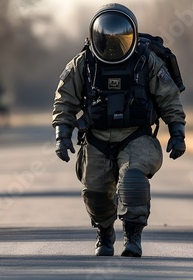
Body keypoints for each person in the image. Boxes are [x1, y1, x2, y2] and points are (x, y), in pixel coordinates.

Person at [52, 3, 186, 257]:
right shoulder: (84, 63)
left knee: (133, 181)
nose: (112, 44)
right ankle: (104, 233)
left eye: (119, 37)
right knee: (94, 192)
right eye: (105, 38)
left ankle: (133, 236)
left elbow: (169, 97)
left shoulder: (147, 61)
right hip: (96, 138)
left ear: (132, 35)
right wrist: (62, 134)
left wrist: (178, 132)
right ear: (94, 36)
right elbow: (64, 99)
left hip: (136, 135)